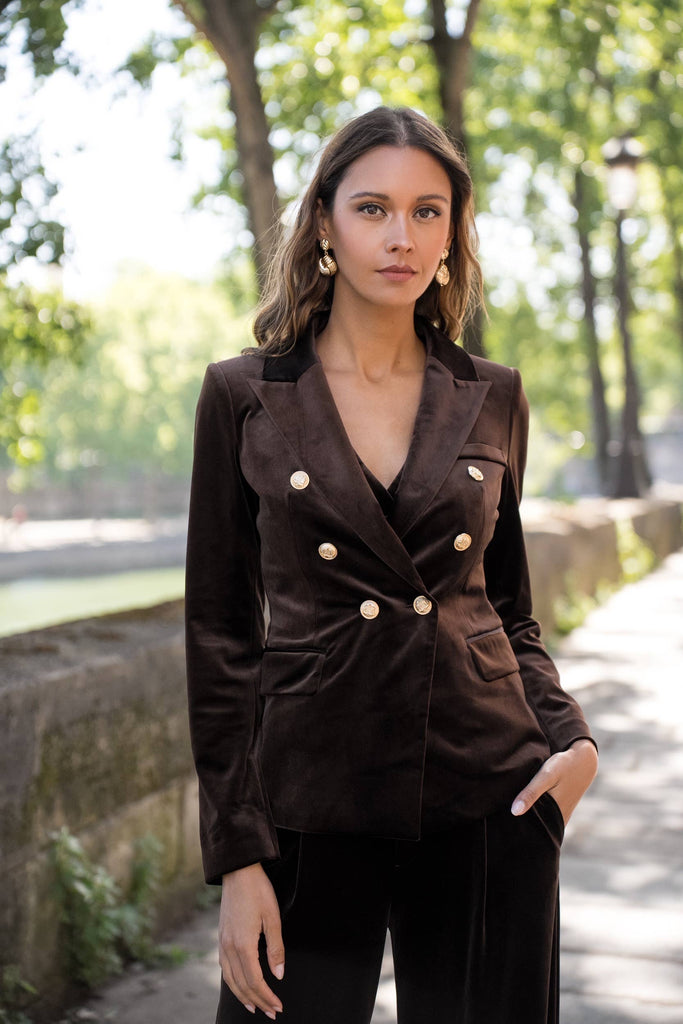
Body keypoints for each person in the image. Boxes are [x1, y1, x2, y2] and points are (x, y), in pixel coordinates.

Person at [184, 106, 598, 1024]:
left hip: (487, 792)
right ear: (324, 223)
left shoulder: (492, 395)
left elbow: (507, 608)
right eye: (372, 208)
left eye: (426, 211)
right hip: (307, 797)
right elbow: (219, 637)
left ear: (451, 234)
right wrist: (238, 856)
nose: (400, 236)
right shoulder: (244, 396)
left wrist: (572, 744)